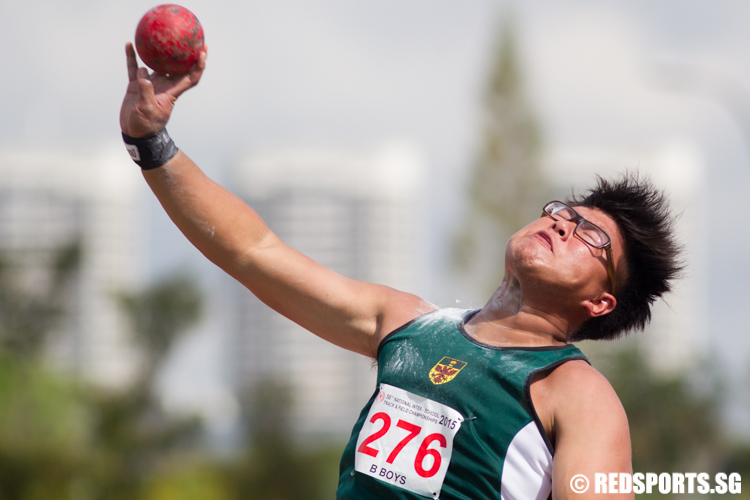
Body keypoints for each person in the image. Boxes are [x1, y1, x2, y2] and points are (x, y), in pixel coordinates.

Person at [119, 43, 681, 500]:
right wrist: (150, 141)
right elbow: (253, 251)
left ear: (601, 302)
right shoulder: (408, 324)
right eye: (564, 212)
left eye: (590, 237)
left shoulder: (577, 394)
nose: (563, 225)